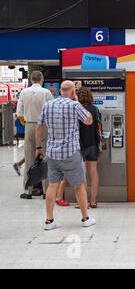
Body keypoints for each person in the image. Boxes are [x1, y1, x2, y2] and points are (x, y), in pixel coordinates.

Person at [35, 80, 96, 230]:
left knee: (52, 185)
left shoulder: (48, 105)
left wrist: (38, 148)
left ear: (60, 90)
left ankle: (49, 221)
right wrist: (78, 102)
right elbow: (89, 120)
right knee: (79, 185)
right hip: (71, 153)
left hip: (52, 153)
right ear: (73, 92)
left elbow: (38, 127)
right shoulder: (74, 105)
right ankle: (85, 218)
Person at [16, 71, 54, 199]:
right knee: (44, 158)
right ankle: (45, 191)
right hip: (44, 126)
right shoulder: (47, 93)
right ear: (42, 80)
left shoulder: (24, 92)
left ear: (31, 80)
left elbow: (19, 112)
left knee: (29, 158)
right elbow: (52, 110)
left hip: (30, 125)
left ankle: (28, 191)